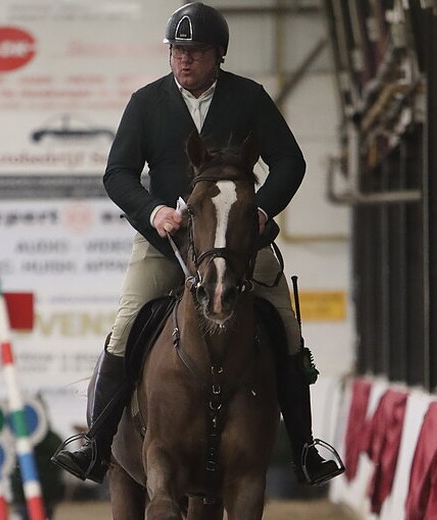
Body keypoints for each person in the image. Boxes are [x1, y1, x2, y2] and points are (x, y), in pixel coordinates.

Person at [52, 2, 344, 487]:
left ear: (218, 54)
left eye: (195, 51)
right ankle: (96, 445)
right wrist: (153, 211)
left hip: (236, 245)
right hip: (165, 243)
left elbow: (290, 162)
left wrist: (262, 211)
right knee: (125, 327)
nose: (183, 60)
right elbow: (117, 173)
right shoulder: (146, 103)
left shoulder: (248, 98)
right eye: (176, 50)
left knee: (287, 332)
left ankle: (305, 449)